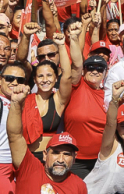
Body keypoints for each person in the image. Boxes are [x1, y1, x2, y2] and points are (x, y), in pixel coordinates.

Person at [7, 84, 87, 193]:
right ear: (45, 154)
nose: (60, 159)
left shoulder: (79, 185)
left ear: (74, 158)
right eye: (55, 153)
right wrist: (16, 103)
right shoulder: (29, 168)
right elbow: (15, 136)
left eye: (67, 154)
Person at [85, 82, 124, 193]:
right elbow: (110, 124)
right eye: (123, 126)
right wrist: (115, 99)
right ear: (117, 127)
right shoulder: (111, 145)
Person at [22, 33, 73, 161]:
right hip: (26, 157)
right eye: (40, 76)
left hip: (50, 159)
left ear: (56, 78)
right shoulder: (24, 100)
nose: (45, 80)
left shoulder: (58, 100)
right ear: (34, 79)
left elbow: (67, 75)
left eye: (49, 76)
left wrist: (61, 45)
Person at [64, 53, 108, 179]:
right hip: (76, 160)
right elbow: (76, 63)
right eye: (90, 68)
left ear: (105, 73)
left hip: (102, 160)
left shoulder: (109, 94)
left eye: (100, 68)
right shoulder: (76, 86)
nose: (95, 71)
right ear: (83, 71)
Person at [0, 62, 27, 193]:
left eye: (20, 80)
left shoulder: (22, 101)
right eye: (10, 78)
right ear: (0, 80)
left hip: (17, 166)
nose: (15, 83)